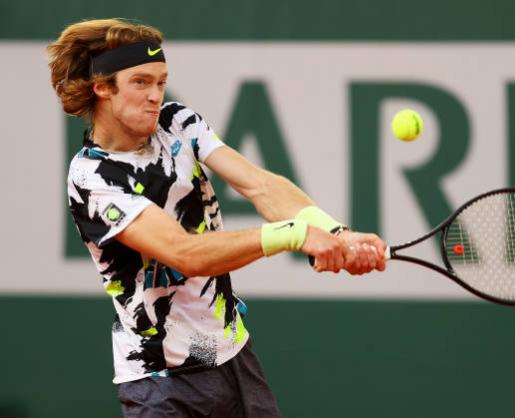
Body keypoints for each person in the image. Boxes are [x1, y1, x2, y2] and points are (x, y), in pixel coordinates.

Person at [48, 18, 386, 418]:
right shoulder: (91, 176)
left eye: (161, 81)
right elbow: (184, 253)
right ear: (102, 87)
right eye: (141, 82)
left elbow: (260, 185)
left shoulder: (177, 123)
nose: (155, 95)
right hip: (162, 384)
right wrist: (295, 234)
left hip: (235, 361)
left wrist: (335, 231)